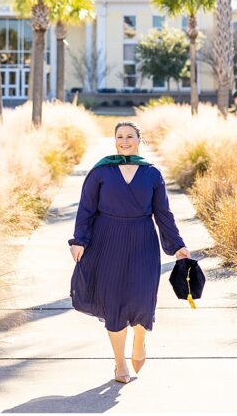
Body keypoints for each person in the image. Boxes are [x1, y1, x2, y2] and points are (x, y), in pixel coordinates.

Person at [68, 120, 190, 383]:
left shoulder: (152, 174)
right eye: (120, 136)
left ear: (138, 140)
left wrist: (177, 245)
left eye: (130, 136)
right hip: (106, 241)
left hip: (142, 242)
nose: (124, 141)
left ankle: (139, 341)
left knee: (142, 298)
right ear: (115, 140)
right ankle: (119, 364)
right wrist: (78, 240)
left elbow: (163, 214)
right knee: (113, 303)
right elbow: (86, 209)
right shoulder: (101, 171)